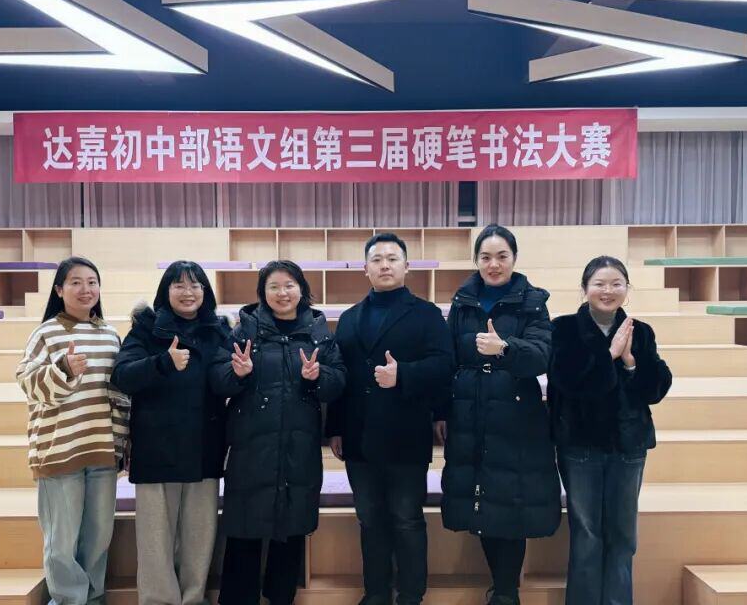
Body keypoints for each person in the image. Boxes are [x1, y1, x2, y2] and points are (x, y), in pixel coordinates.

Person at [325, 232, 455, 605]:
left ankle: (411, 594)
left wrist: (405, 375)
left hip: (405, 434)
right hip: (358, 436)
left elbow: (445, 365)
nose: (385, 265)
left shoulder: (427, 314)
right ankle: (376, 593)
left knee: (406, 518)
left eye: (393, 258)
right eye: (377, 259)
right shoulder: (349, 318)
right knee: (369, 520)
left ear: (406, 266)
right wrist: (335, 427)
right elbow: (342, 377)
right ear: (365, 269)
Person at [436, 225, 561, 605]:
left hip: (515, 417)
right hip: (469, 413)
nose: (494, 264)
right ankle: (500, 585)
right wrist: (441, 411)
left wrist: (505, 348)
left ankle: (507, 591)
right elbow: (447, 359)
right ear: (476, 260)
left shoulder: (533, 302)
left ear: (514, 259)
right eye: (486, 257)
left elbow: (542, 356)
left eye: (502, 256)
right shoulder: (463, 302)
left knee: (512, 499)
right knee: (482, 498)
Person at [211, 260, 347, 605]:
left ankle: (280, 597)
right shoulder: (244, 330)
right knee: (244, 529)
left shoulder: (318, 332)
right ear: (263, 292)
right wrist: (237, 373)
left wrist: (318, 377)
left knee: (291, 528)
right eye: (274, 286)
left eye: (289, 285)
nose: (282, 293)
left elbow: (338, 382)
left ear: (301, 289)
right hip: (251, 448)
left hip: (298, 448)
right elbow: (218, 379)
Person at [548, 256, 673, 605]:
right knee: (587, 534)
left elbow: (656, 389)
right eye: (599, 284)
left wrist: (631, 362)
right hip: (580, 446)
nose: (608, 291)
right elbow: (569, 383)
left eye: (616, 283)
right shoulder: (563, 329)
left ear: (626, 289)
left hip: (628, 446)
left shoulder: (641, 331)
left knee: (623, 536)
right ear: (585, 288)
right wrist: (610, 355)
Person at [110, 261, 230, 605]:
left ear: (205, 292)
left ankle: (193, 598)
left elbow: (228, 379)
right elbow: (123, 376)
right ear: (166, 291)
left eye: (195, 285)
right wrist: (163, 361)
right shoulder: (146, 328)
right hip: (157, 449)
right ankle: (159, 600)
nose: (188, 292)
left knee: (199, 535)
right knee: (155, 538)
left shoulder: (219, 330)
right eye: (179, 285)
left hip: (204, 448)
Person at [16, 256, 130, 605]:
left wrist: (122, 445)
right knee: (62, 542)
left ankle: (92, 599)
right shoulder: (46, 333)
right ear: (59, 290)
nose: (86, 289)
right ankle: (68, 600)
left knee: (98, 537)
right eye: (76, 282)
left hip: (102, 451)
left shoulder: (109, 335)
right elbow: (28, 384)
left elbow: (119, 396)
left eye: (92, 282)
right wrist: (62, 368)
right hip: (59, 450)